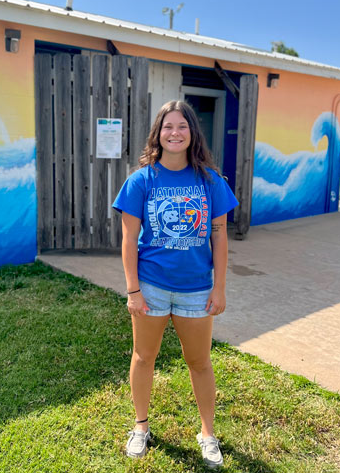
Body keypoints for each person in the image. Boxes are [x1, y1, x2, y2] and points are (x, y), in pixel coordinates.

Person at [112, 100, 238, 469]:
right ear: (158, 133)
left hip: (196, 288)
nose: (175, 133)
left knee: (199, 361)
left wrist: (219, 287)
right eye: (168, 126)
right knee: (143, 357)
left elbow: (219, 237)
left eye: (182, 126)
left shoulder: (210, 182)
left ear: (192, 133)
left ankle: (207, 434)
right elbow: (128, 240)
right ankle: (141, 426)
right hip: (151, 286)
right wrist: (133, 290)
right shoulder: (141, 181)